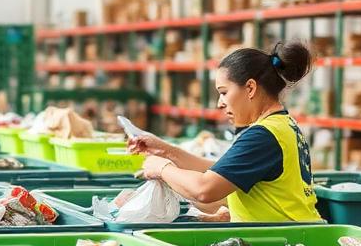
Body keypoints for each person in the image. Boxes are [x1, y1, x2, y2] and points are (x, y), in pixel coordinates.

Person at [127, 41, 321, 223]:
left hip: (289, 245)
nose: (220, 103)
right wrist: (165, 150)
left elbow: (204, 189)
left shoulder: (263, 136)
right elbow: (221, 171)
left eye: (224, 92)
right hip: (296, 235)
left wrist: (162, 168)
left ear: (250, 88)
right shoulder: (282, 125)